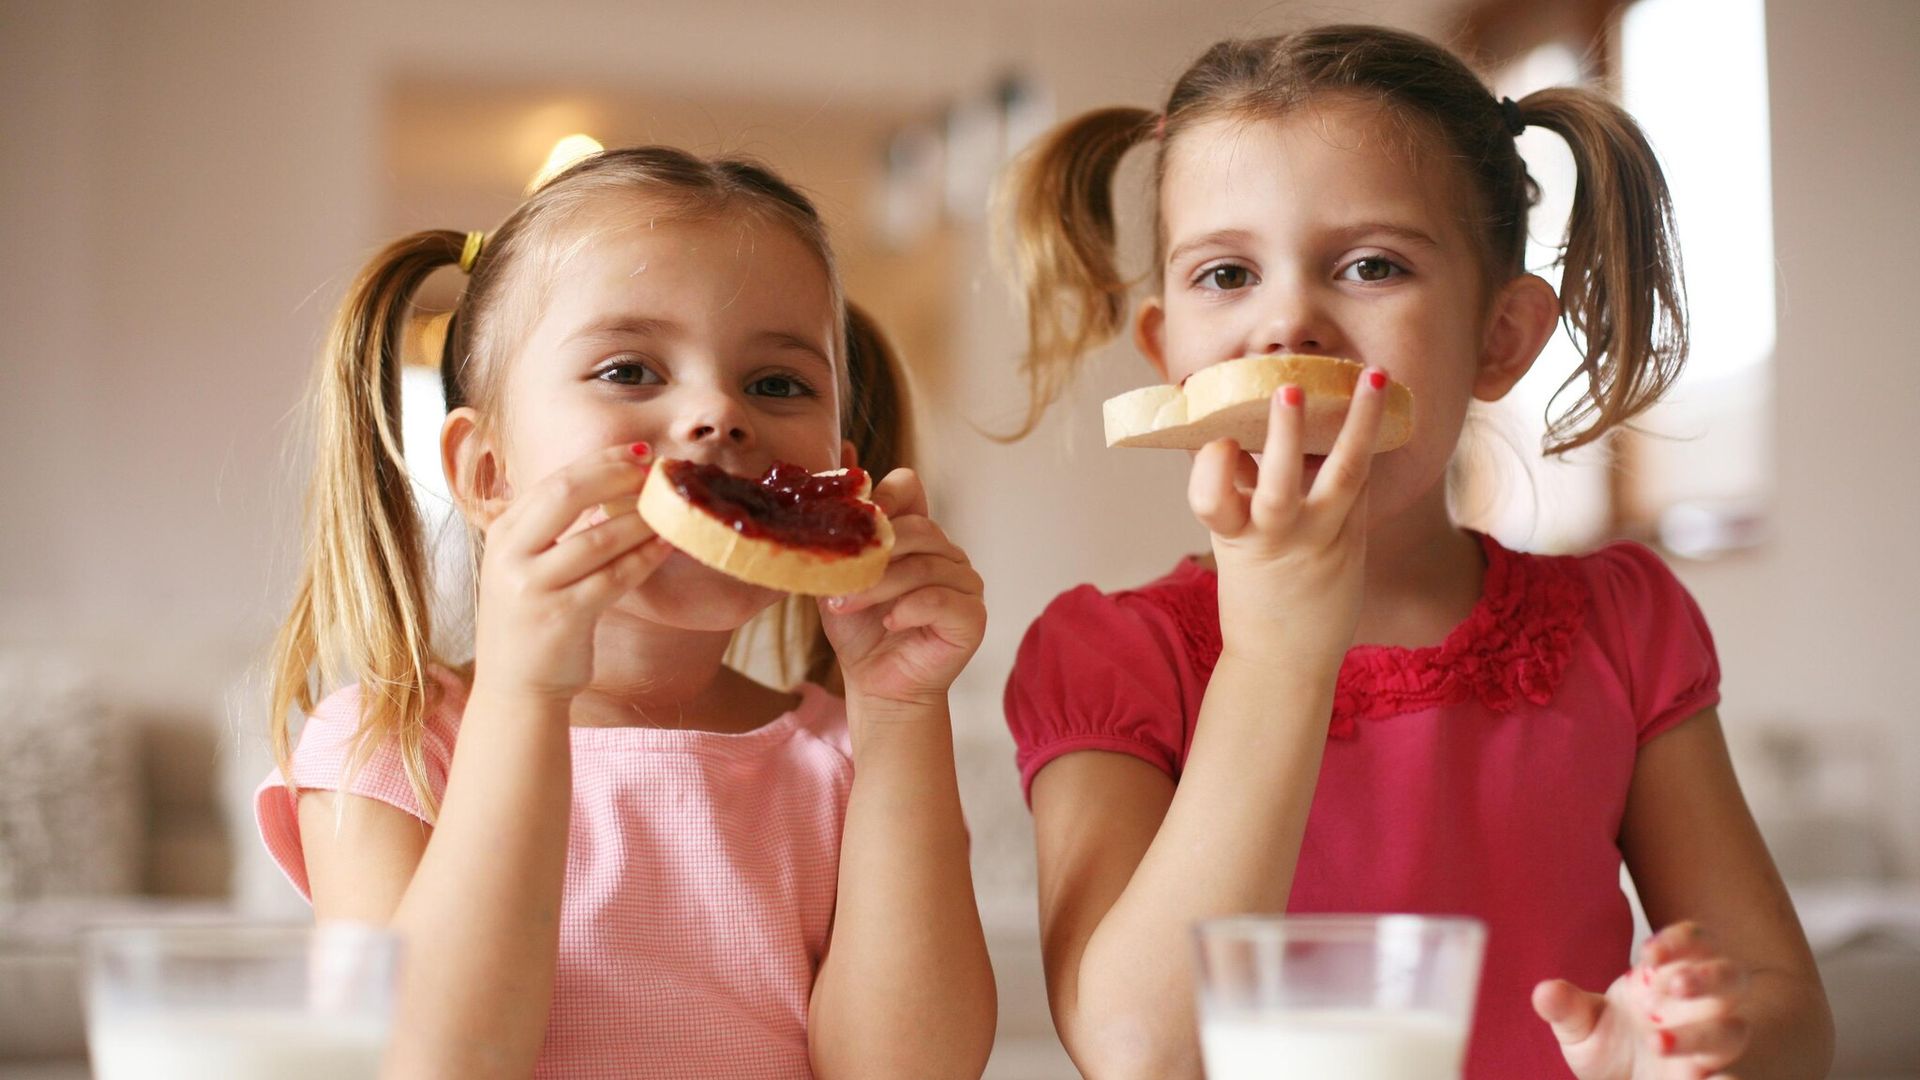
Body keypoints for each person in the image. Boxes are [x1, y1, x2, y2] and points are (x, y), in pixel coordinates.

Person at [998, 24, 1831, 1079]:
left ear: (1500, 339)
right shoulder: (1110, 657)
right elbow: (1138, 1051)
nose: (1289, 319)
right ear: (1169, 356)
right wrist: (1275, 650)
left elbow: (1793, 1013)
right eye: (1226, 274)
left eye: (1371, 265)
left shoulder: (1622, 627)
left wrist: (1705, 1036)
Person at [257, 146, 996, 1079]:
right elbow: (433, 1066)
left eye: (777, 384)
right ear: (489, 474)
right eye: (628, 370)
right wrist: (524, 695)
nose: (719, 413)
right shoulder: (390, 748)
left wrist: (899, 716)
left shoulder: (850, 760)